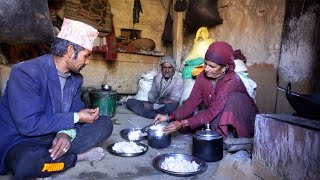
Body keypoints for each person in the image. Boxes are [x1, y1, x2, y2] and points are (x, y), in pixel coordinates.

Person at [0, 18, 113, 179]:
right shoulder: (26, 72)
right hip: (22, 139)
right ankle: (75, 158)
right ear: (69, 51)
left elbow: (75, 111)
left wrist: (66, 134)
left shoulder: (76, 79)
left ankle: (51, 159)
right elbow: (28, 125)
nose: (87, 62)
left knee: (104, 123)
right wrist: (76, 117)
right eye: (86, 56)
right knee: (27, 163)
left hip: (54, 134)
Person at [154, 41, 259, 139]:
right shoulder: (202, 77)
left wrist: (182, 123)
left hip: (242, 118)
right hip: (216, 111)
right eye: (205, 64)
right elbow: (190, 103)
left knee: (233, 99)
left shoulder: (231, 80)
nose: (206, 69)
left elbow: (212, 111)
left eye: (212, 66)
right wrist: (169, 117)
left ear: (224, 68)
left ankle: (235, 136)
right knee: (189, 126)